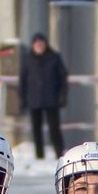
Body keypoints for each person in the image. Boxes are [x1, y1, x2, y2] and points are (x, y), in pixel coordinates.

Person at [17, 32, 68, 160]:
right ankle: (39, 155)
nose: (39, 46)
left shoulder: (54, 57)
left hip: (51, 98)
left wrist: (62, 96)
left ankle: (59, 153)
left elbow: (63, 77)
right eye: (36, 43)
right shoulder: (28, 58)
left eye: (41, 43)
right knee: (36, 129)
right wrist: (23, 99)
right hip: (34, 99)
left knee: (54, 128)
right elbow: (23, 79)